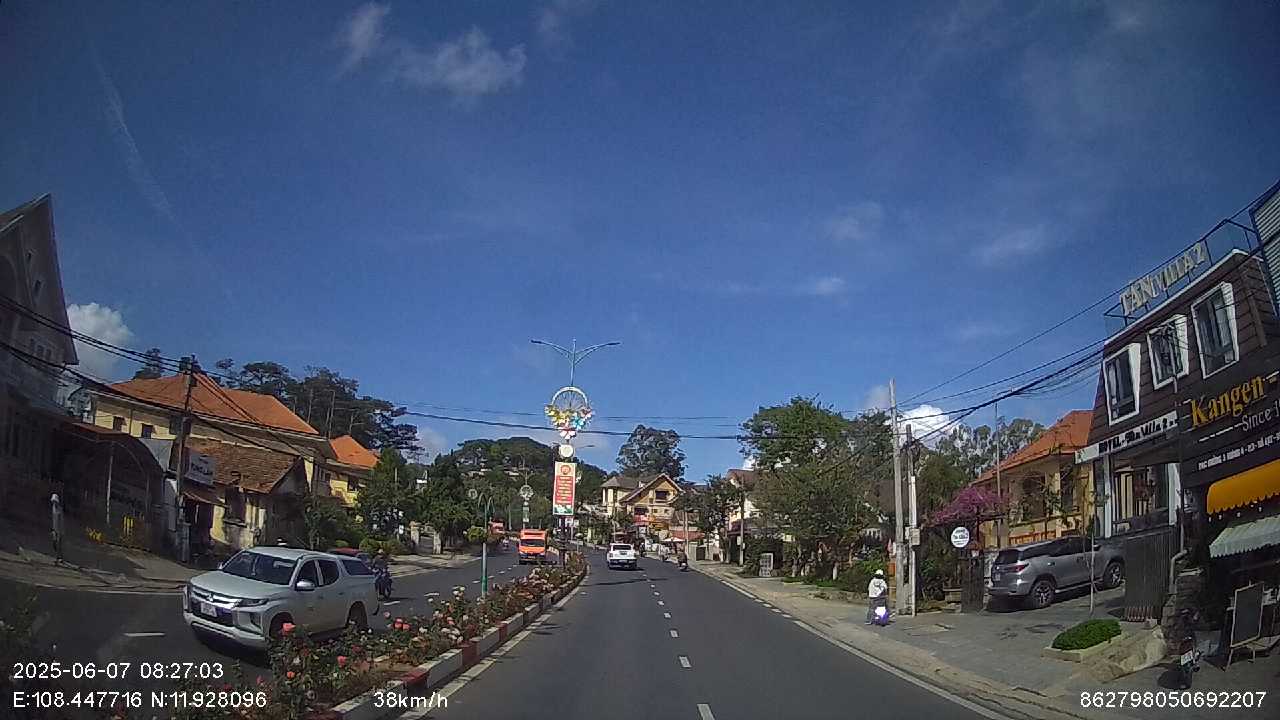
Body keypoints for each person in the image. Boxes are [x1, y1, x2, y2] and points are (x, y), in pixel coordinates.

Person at [50, 493, 65, 563]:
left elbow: (61, 521)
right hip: (55, 528)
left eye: (55, 501)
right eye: (53, 501)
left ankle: (59, 558)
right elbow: (53, 518)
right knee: (54, 543)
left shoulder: (60, 509)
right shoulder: (53, 508)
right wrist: (53, 529)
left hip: (59, 529)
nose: (54, 503)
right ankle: (57, 557)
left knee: (59, 544)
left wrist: (60, 531)